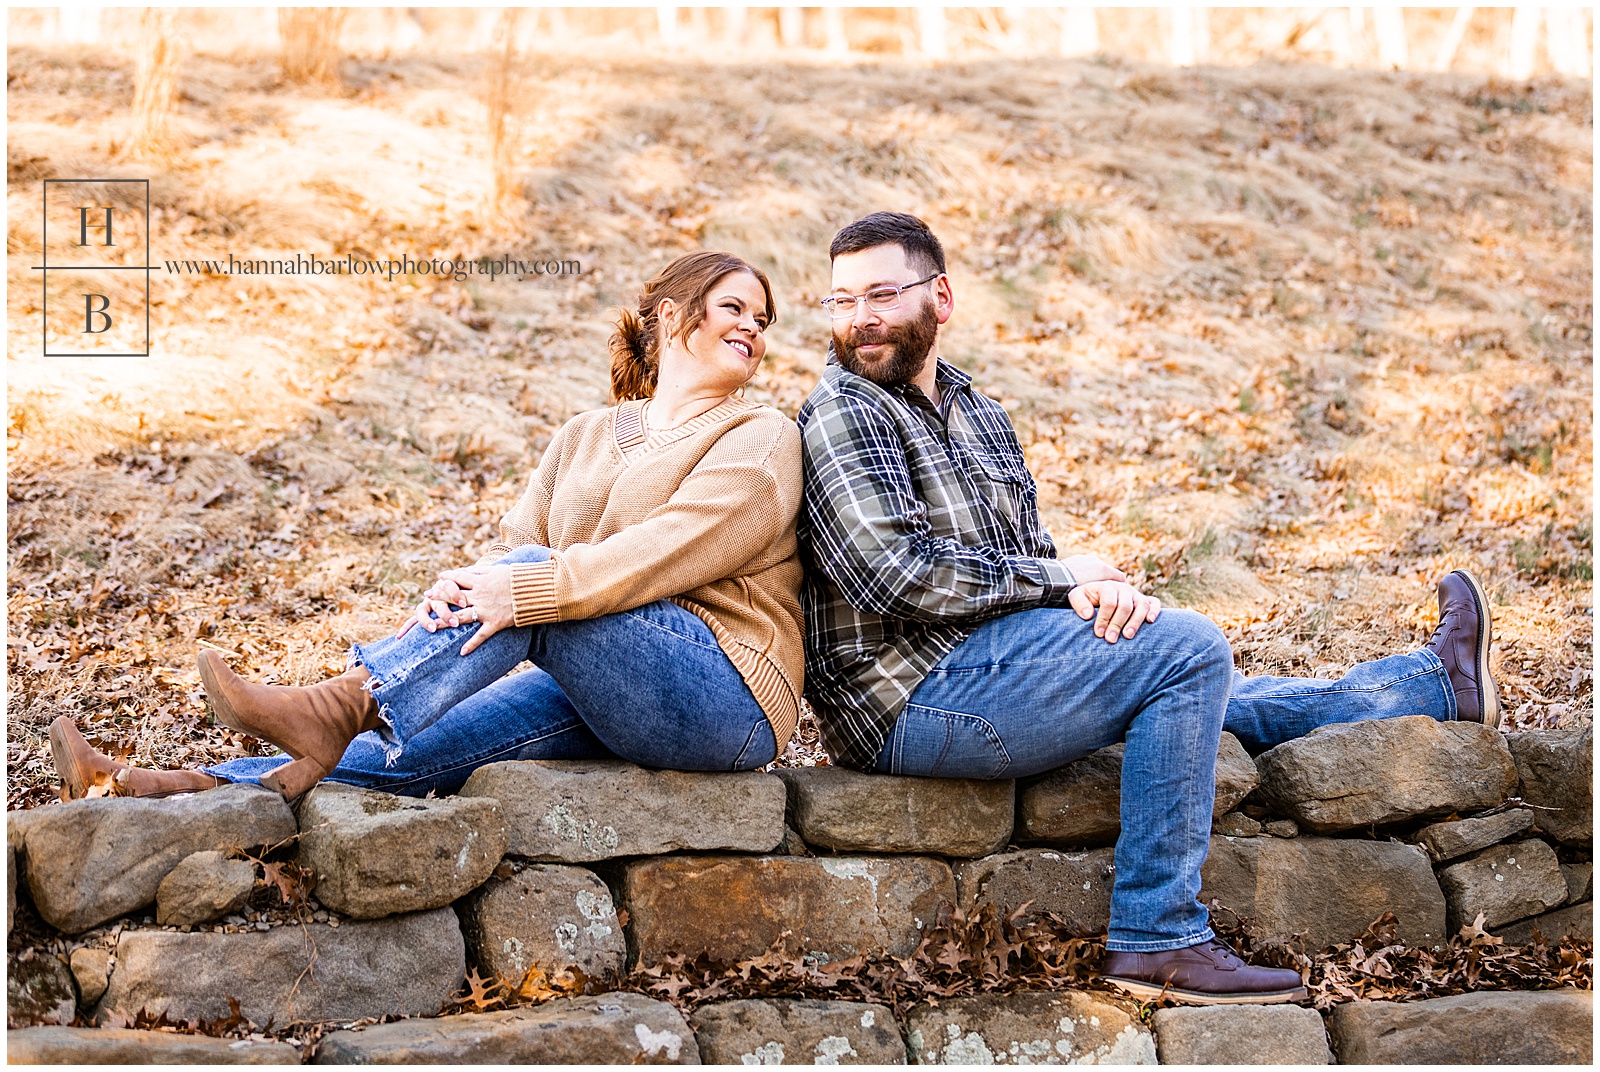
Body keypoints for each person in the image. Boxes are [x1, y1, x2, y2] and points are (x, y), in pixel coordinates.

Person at [797, 211, 1499, 1006]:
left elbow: (1018, 554)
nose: (861, 320)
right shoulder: (844, 412)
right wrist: (1062, 581)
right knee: (1189, 650)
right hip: (908, 700)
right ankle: (1158, 936)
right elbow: (895, 573)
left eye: (882, 294)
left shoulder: (979, 413)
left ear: (942, 297)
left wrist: (1094, 598)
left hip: (992, 663)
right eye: (842, 300)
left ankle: (1435, 687)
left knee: (1199, 688)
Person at [50, 250, 805, 804]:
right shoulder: (586, 432)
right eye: (734, 307)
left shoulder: (762, 435)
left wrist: (520, 586)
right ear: (672, 315)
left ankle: (342, 699)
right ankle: (147, 789)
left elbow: (662, 553)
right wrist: (470, 586)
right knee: (412, 748)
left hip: (726, 693)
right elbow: (516, 548)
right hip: (599, 681)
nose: (753, 328)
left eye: (762, 320)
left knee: (527, 579)